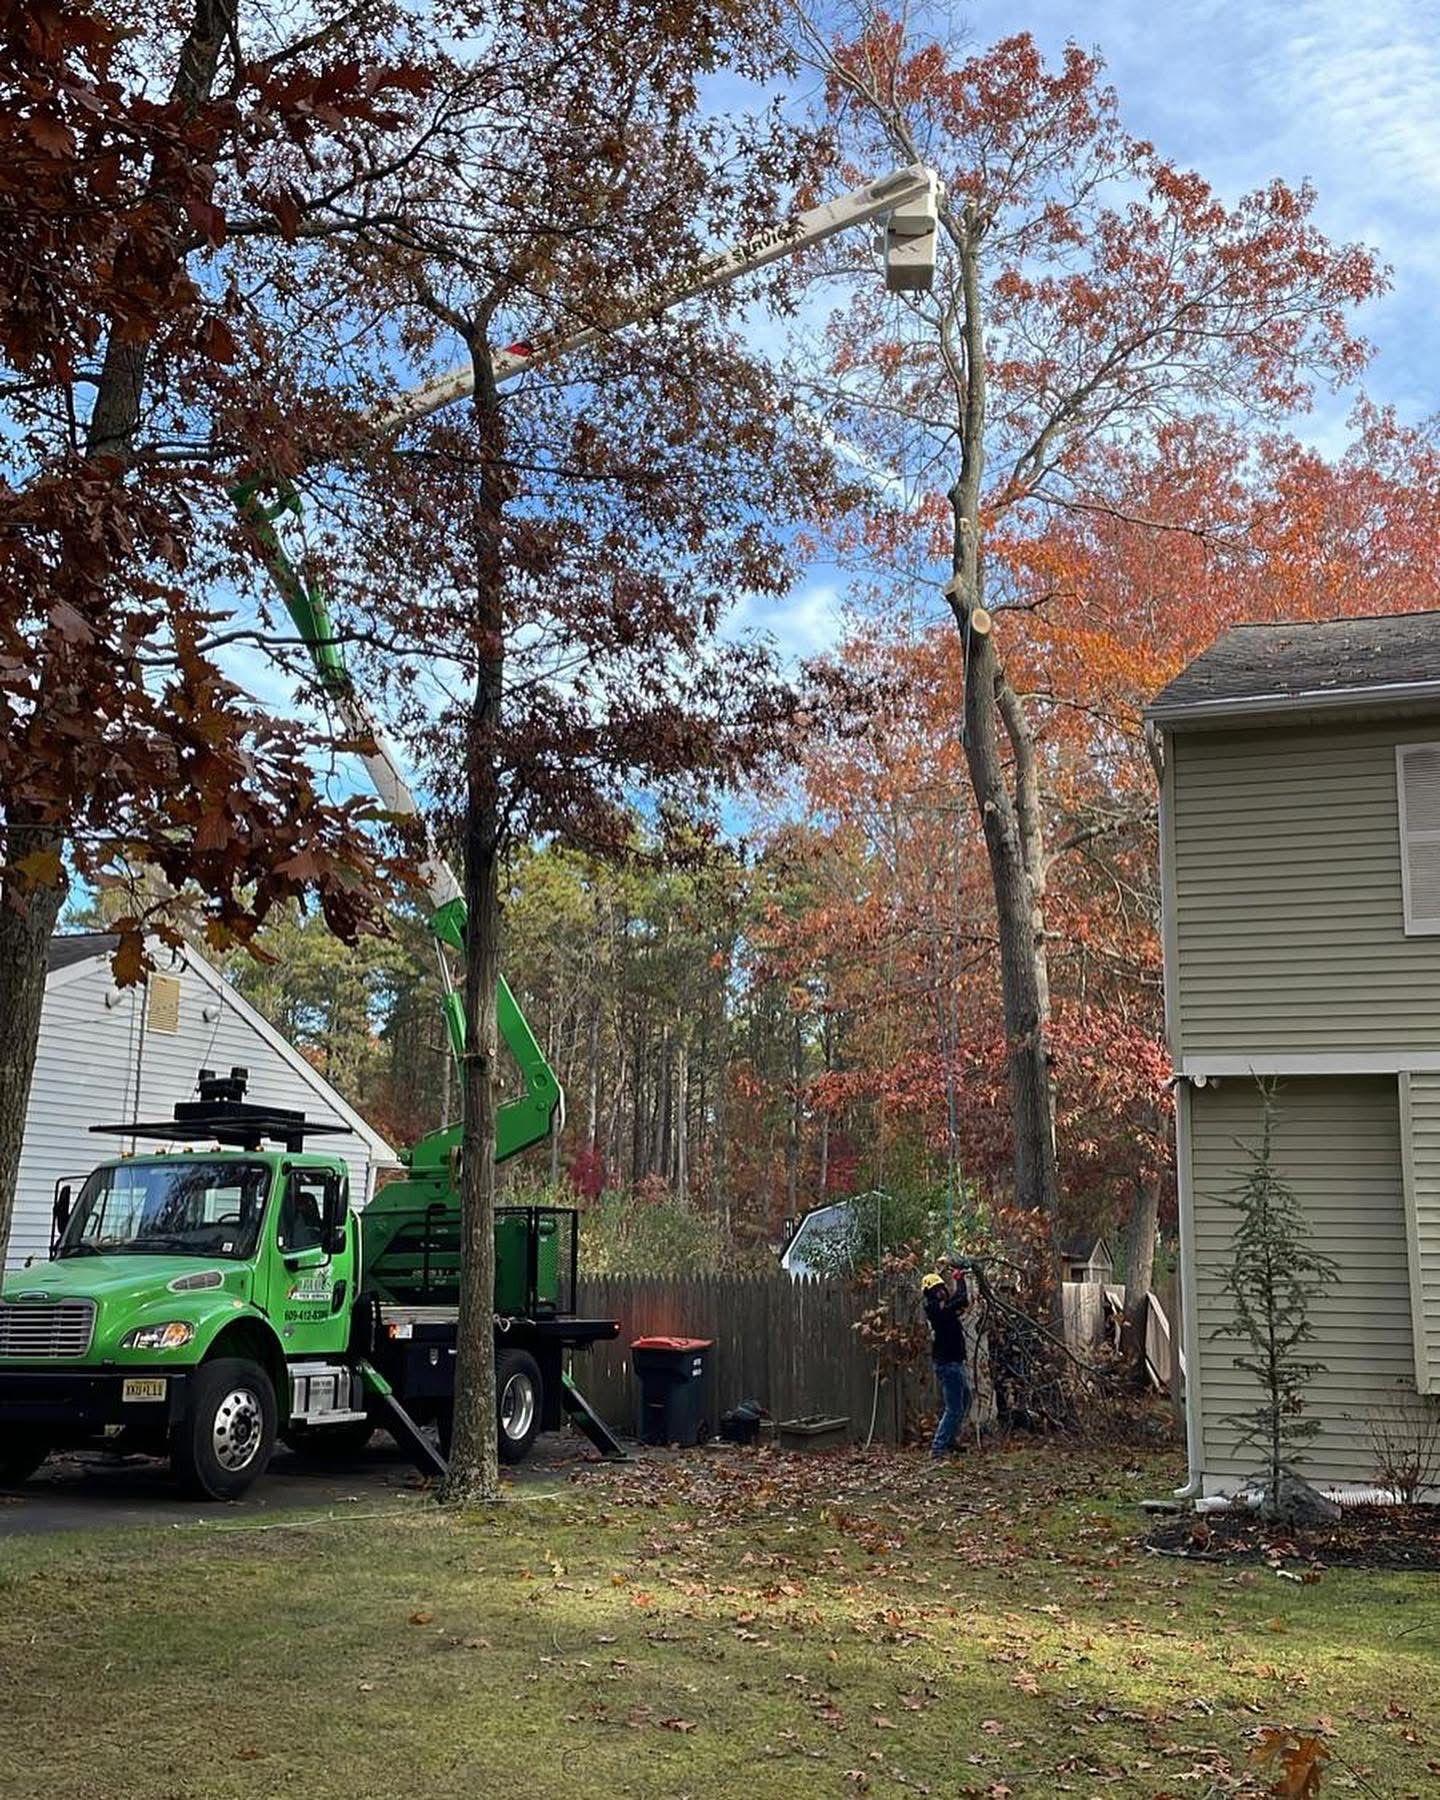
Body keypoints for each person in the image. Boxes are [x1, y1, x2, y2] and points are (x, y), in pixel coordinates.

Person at [921, 1261, 972, 1460]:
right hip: (948, 1364)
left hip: (954, 1362)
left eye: (942, 1288)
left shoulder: (943, 1307)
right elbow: (961, 1299)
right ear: (932, 1292)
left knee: (965, 1399)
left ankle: (949, 1440)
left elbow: (961, 1302)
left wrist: (958, 1280)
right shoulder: (936, 1308)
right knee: (954, 1408)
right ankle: (938, 1447)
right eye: (938, 1289)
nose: (942, 1291)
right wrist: (960, 1280)